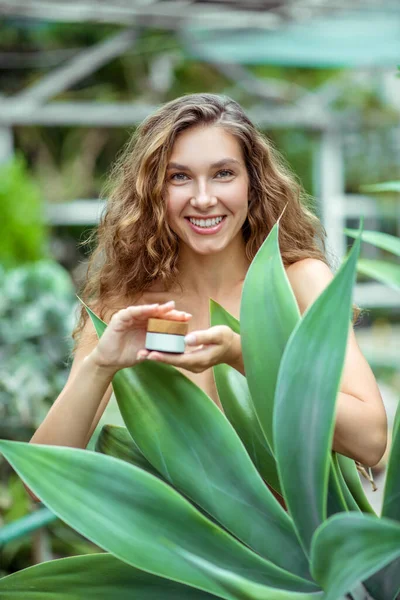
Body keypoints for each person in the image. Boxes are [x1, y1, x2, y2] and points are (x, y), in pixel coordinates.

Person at [28, 93, 387, 502]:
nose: (202, 198)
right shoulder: (129, 307)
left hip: (299, 557)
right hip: (183, 556)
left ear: (253, 183)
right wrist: (101, 364)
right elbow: (40, 484)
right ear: (154, 191)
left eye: (223, 174)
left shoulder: (300, 284)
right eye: (179, 177)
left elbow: (371, 440)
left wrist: (241, 354)